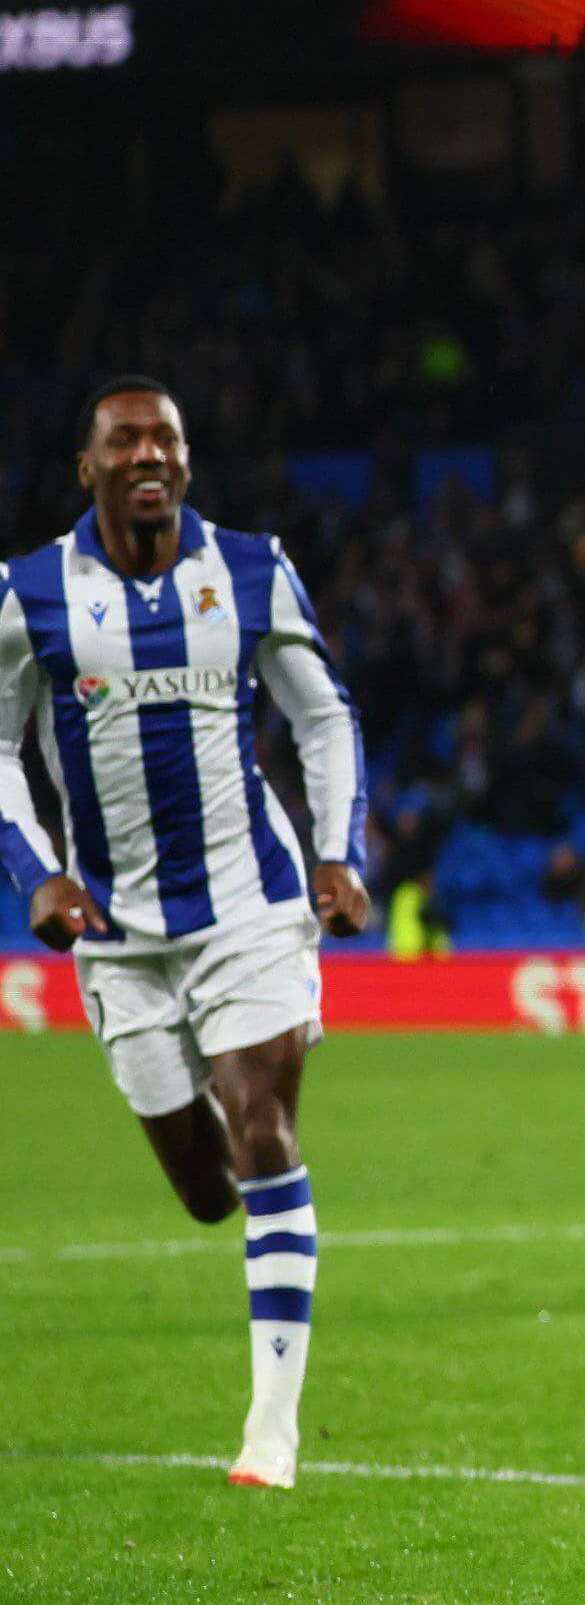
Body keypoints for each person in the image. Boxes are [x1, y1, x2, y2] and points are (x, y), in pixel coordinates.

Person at [1, 376, 370, 1489]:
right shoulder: (30, 596)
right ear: (90, 466)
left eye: (166, 436)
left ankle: (272, 1430)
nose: (148, 452)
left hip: (251, 909)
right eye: (125, 439)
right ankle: (235, 1081)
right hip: (116, 932)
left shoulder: (248, 568)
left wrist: (339, 851)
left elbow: (323, 713)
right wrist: (39, 875)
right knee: (208, 1192)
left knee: (262, 1132)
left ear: (189, 463)